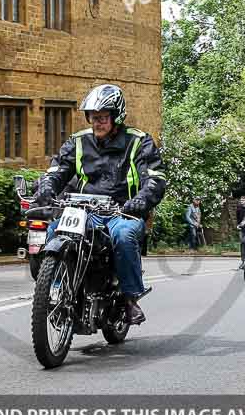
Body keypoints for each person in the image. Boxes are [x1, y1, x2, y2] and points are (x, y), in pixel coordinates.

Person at [35, 84, 167, 325]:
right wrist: (46, 187)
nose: (97, 123)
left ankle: (129, 298)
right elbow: (57, 170)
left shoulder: (139, 142)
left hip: (122, 211)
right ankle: (55, 290)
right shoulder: (77, 141)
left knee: (124, 236)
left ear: (116, 117)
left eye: (103, 118)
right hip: (84, 210)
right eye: (93, 117)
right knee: (55, 230)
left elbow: (155, 178)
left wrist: (141, 200)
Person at [236, 196, 245, 266]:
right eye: (241, 200)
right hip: (241, 228)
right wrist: (238, 225)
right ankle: (243, 261)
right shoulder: (239, 208)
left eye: (243, 200)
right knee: (242, 243)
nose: (242, 202)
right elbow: (238, 218)